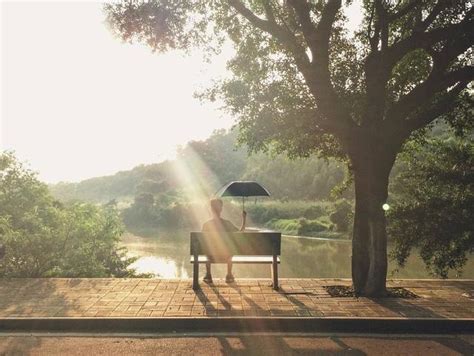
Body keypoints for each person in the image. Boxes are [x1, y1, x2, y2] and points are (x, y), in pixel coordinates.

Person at [201, 198, 246, 283]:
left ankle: (208, 275)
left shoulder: (206, 225)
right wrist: (244, 219)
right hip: (226, 255)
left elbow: (202, 243)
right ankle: (229, 275)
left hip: (211, 256)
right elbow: (241, 232)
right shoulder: (227, 223)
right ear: (221, 209)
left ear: (211, 209)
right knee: (230, 251)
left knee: (207, 250)